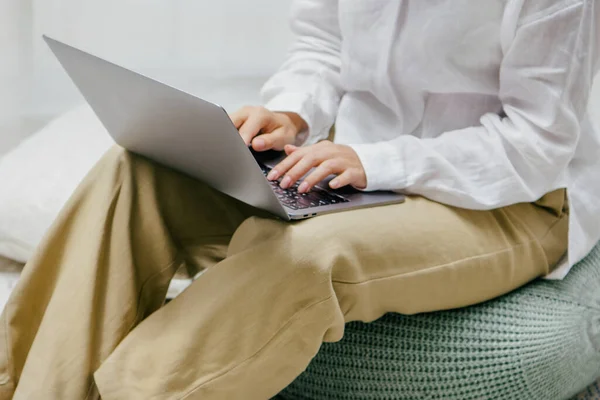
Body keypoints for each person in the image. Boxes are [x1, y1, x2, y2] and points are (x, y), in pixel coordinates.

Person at [1, 1, 599, 399]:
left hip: (505, 198)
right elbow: (322, 49)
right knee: (138, 166)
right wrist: (290, 114)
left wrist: (376, 162)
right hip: (354, 165)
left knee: (307, 250)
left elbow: (536, 143)